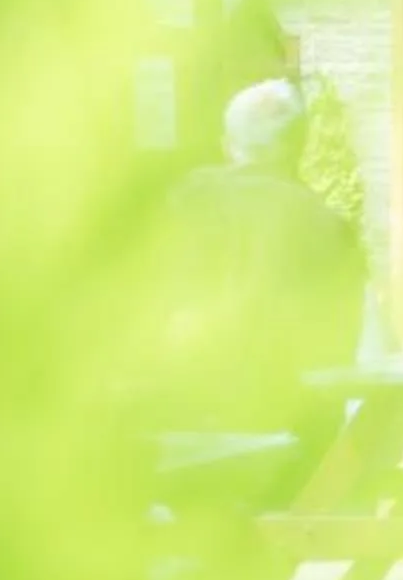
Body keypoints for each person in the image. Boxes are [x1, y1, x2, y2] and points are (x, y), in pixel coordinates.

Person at [154, 80, 368, 446]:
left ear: (228, 144)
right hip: (297, 424)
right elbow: (346, 336)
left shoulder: (190, 200)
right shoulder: (328, 225)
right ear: (301, 146)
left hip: (188, 418)